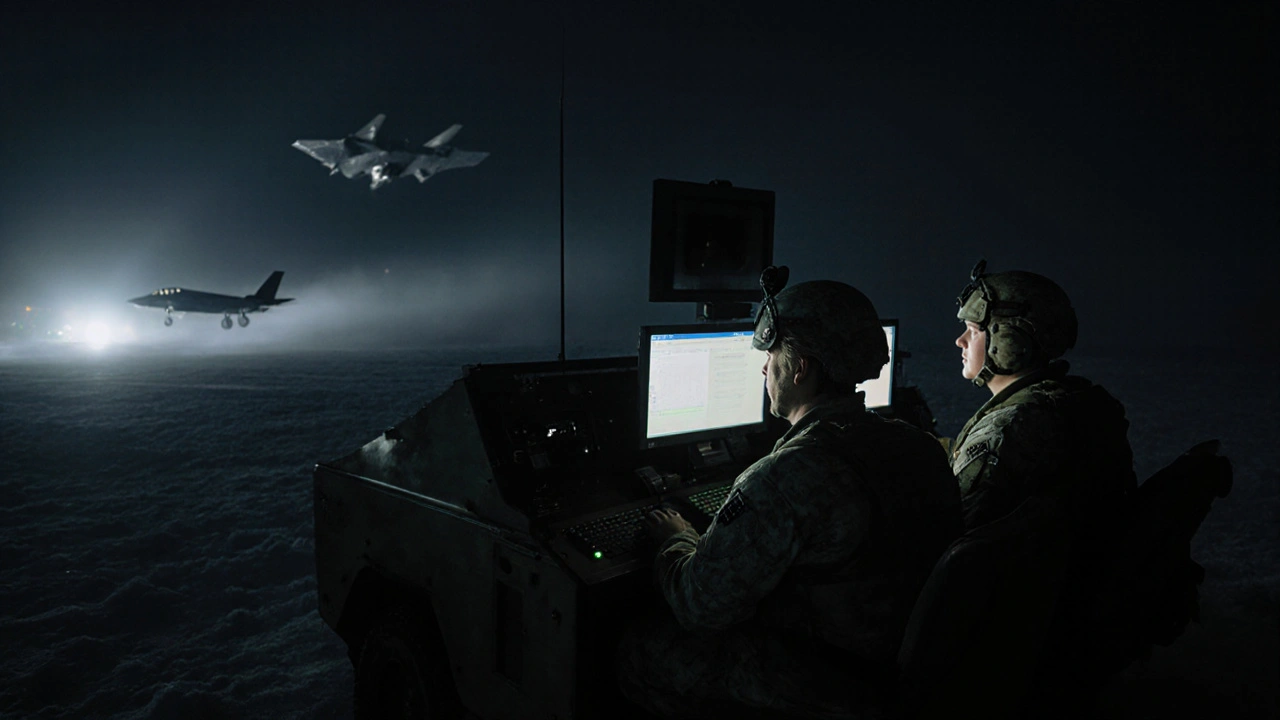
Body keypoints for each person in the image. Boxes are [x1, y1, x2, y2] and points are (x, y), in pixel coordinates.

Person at [617, 268, 963, 719]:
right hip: (901, 667)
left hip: (827, 679)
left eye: (773, 354)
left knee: (640, 652)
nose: (764, 367)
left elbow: (699, 604)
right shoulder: (917, 445)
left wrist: (675, 539)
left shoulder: (788, 475)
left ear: (800, 368)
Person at [947, 260, 1137, 714]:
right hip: (1063, 617)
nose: (959, 341)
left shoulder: (1009, 431)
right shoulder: (1081, 402)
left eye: (972, 330)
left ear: (1008, 342)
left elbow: (952, 545)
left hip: (1005, 634)